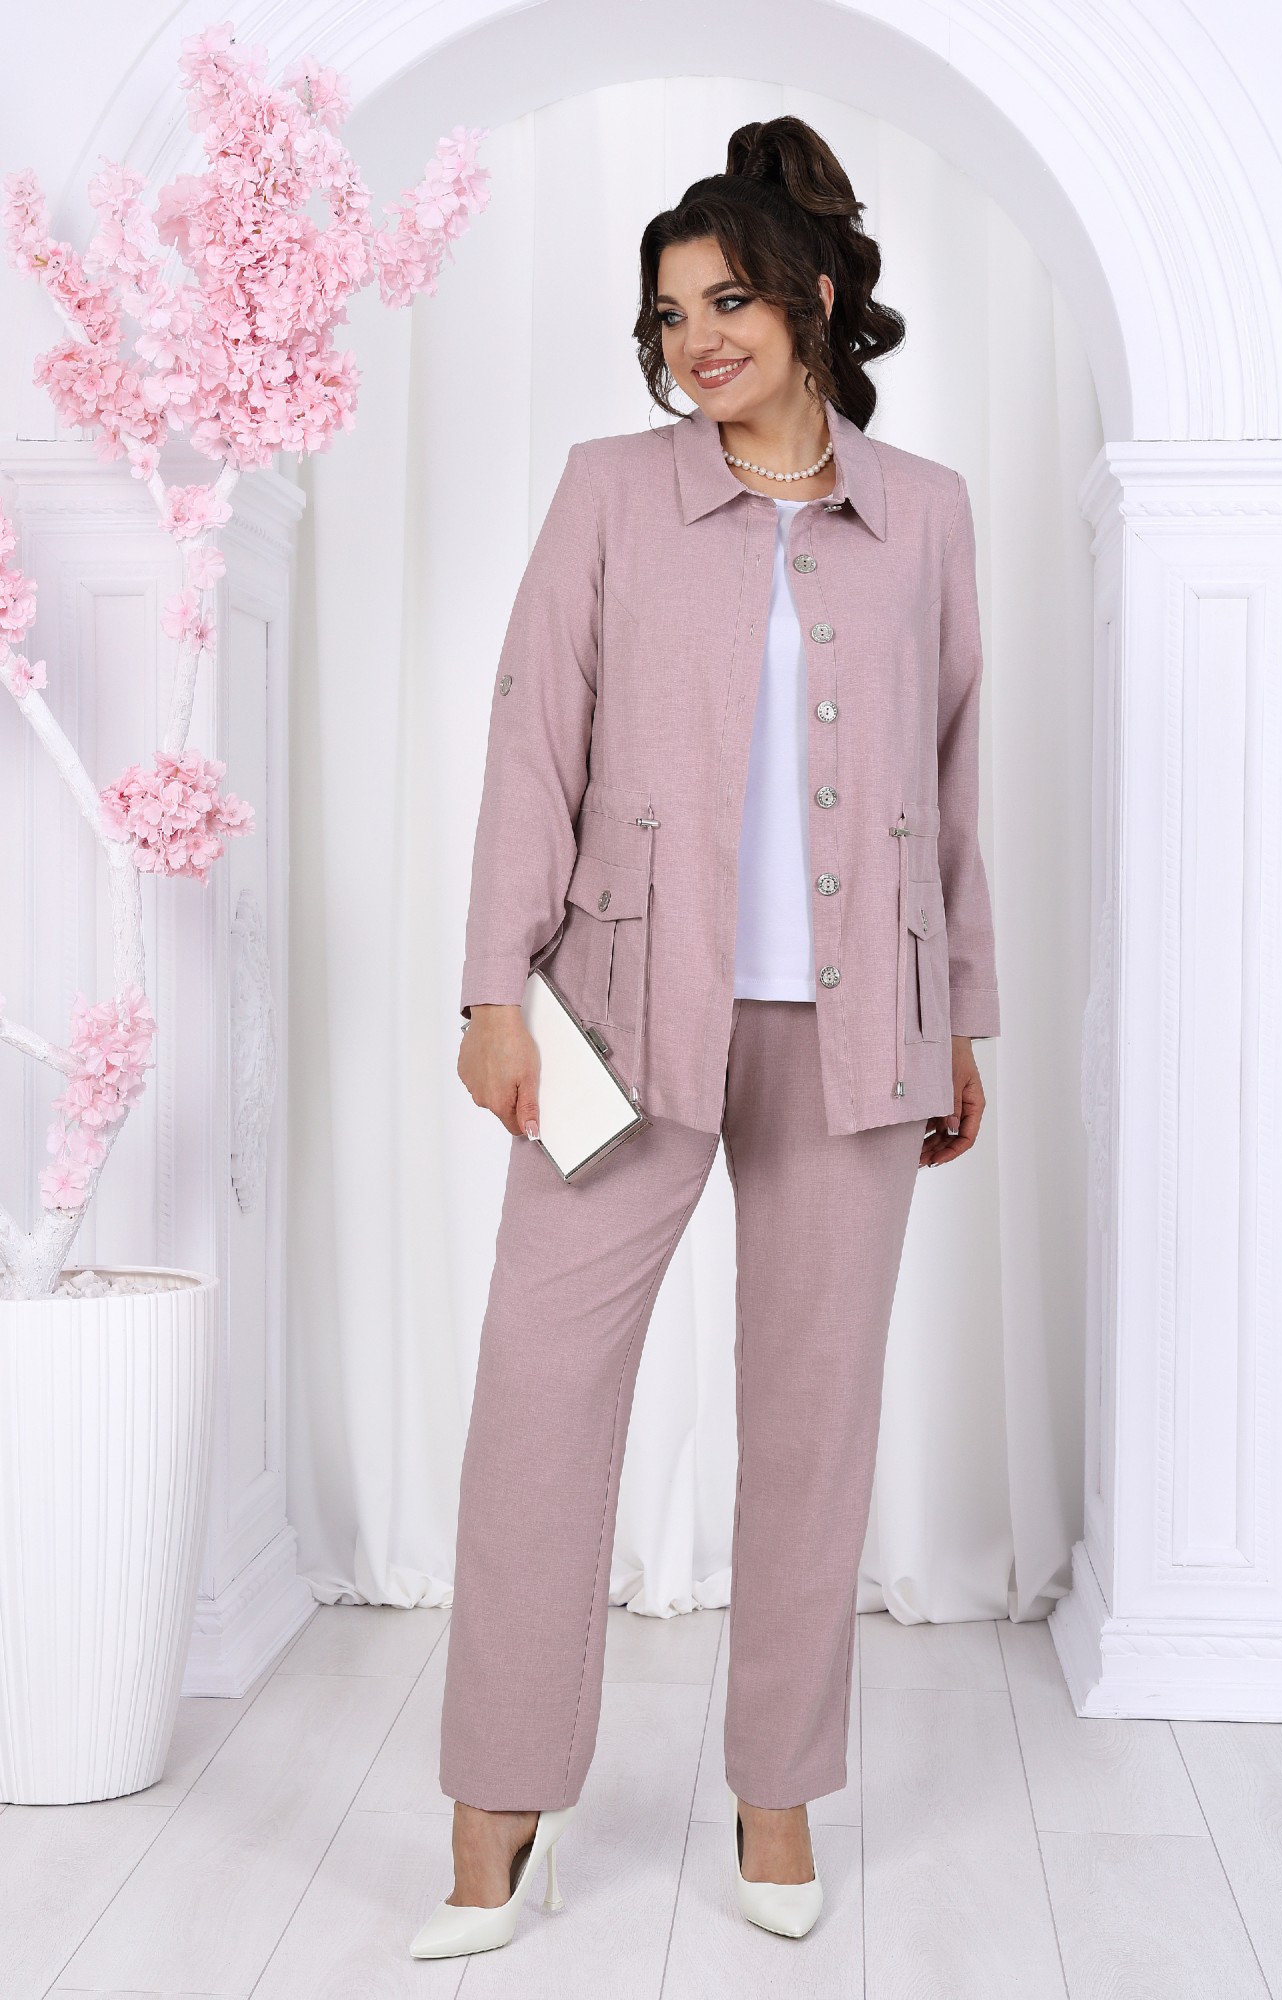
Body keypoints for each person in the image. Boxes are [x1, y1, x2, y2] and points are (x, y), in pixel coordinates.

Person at [409, 113, 1000, 1961]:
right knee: (537, 1396)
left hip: (862, 1028)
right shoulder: (609, 492)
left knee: (813, 1419)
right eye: (669, 316)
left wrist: (963, 1021)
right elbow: (532, 741)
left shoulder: (925, 514)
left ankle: (777, 1790)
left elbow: (952, 784)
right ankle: (497, 1802)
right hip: (614, 1022)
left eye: (726, 302)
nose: (695, 341)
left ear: (809, 300)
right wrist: (490, 989)